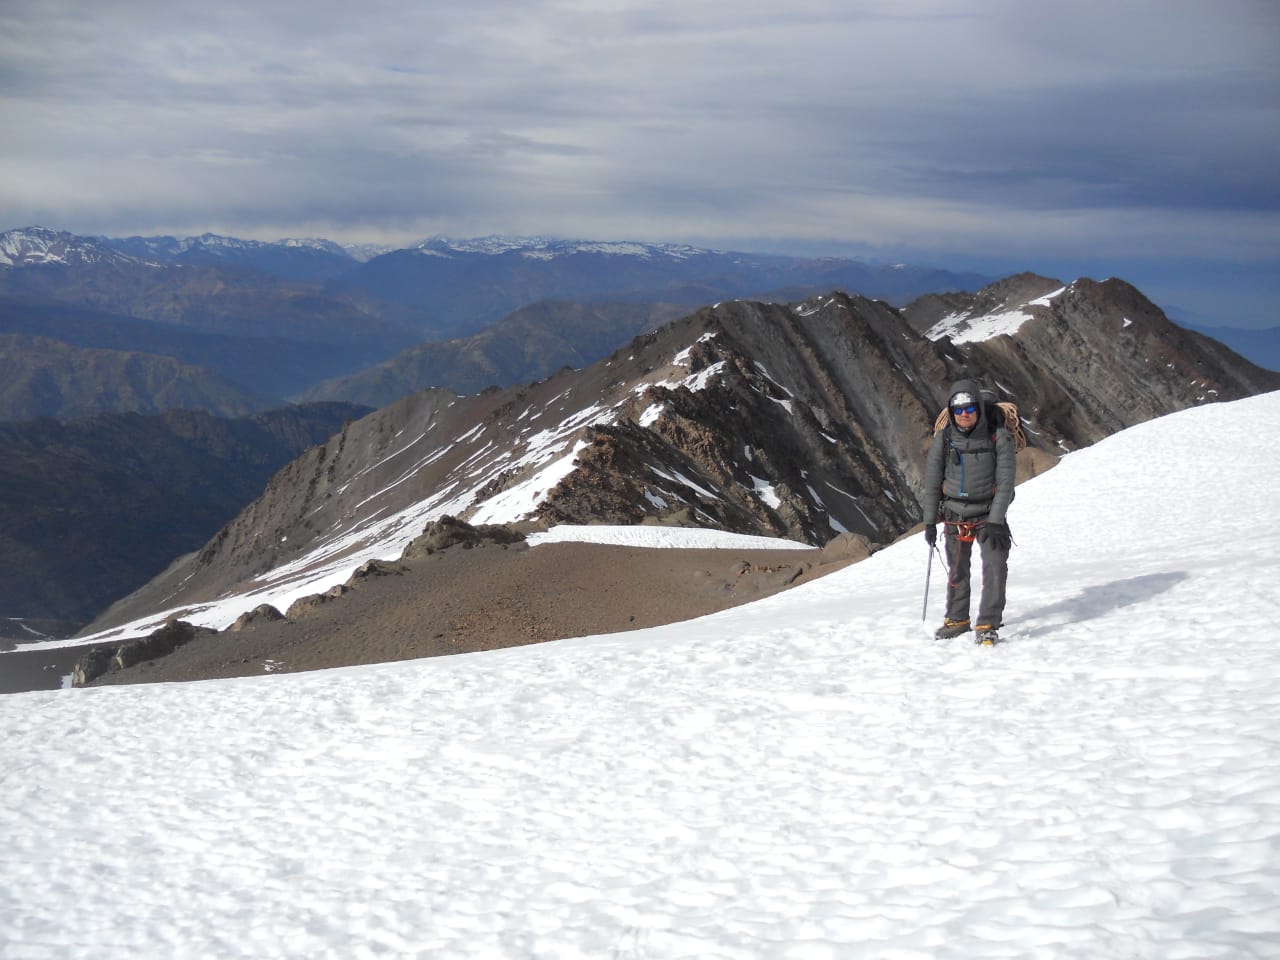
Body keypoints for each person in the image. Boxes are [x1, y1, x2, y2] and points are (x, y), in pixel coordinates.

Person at [921, 378, 1016, 643]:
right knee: (957, 570)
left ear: (979, 409)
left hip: (989, 516)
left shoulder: (999, 437)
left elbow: (1006, 483)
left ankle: (988, 623)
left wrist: (996, 520)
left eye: (970, 408)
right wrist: (930, 522)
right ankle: (957, 619)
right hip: (955, 515)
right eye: (959, 410)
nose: (964, 414)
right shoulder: (945, 439)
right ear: (952, 412)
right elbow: (932, 482)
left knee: (995, 567)